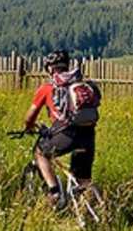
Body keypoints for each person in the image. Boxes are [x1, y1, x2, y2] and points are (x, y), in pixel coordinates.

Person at [21, 50, 100, 210]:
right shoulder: (83, 85)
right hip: (88, 135)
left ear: (50, 68)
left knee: (40, 153)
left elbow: (30, 117)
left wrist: (28, 127)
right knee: (83, 179)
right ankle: (96, 210)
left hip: (66, 134)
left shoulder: (47, 88)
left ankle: (55, 192)